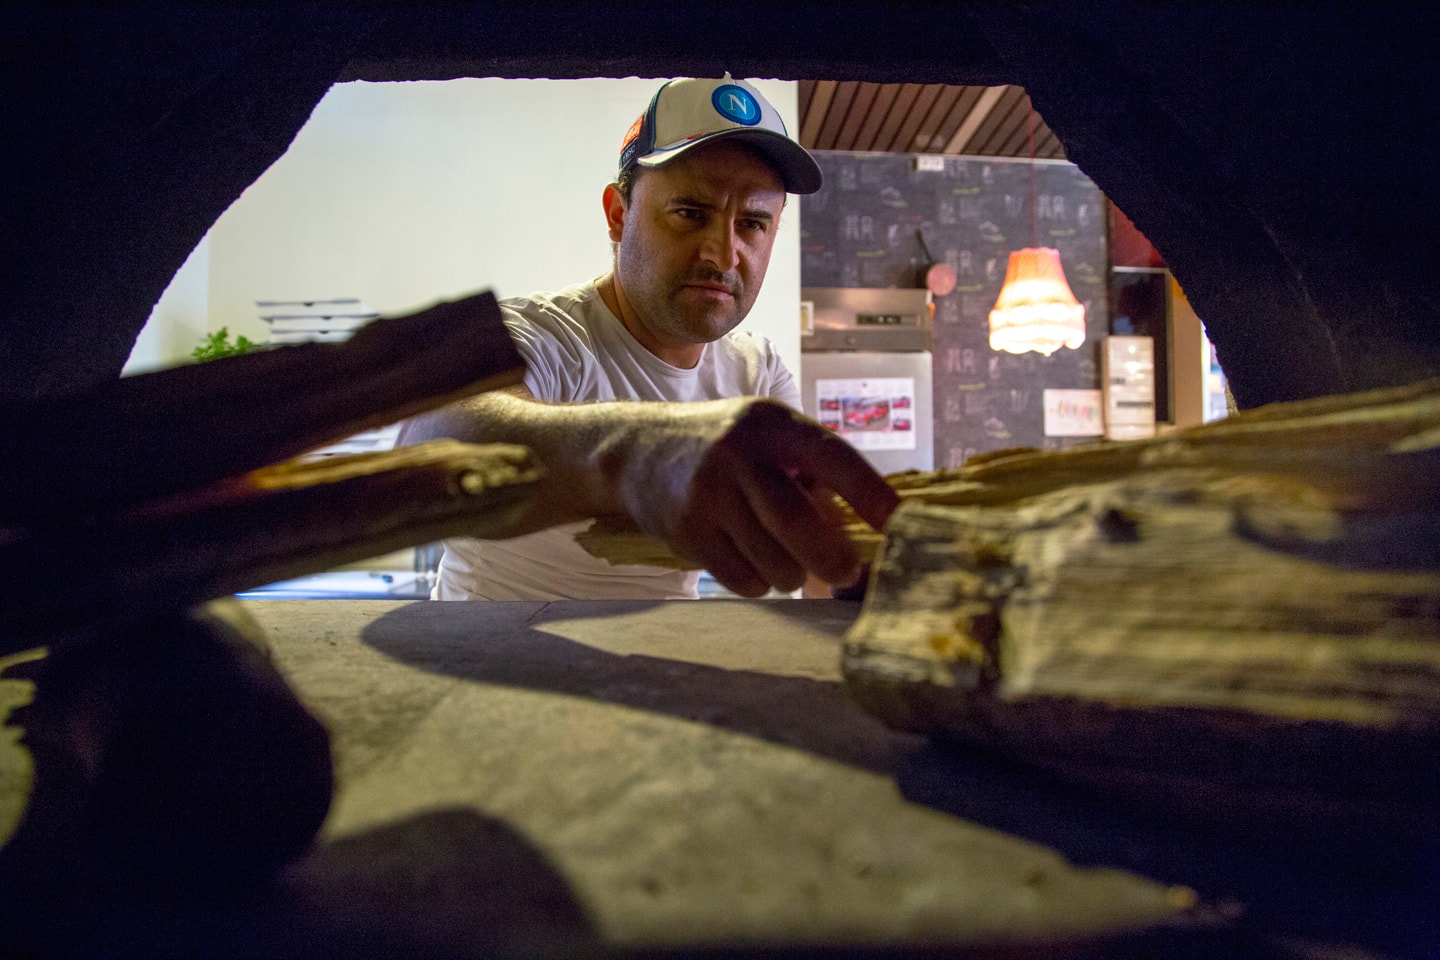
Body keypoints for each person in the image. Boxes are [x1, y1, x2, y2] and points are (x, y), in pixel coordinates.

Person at [400, 75, 897, 600]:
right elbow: (432, 437)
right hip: (491, 665)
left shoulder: (757, 371)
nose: (723, 255)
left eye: (752, 223)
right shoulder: (541, 336)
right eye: (691, 213)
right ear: (618, 216)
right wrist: (639, 456)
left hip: (665, 671)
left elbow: (811, 553)